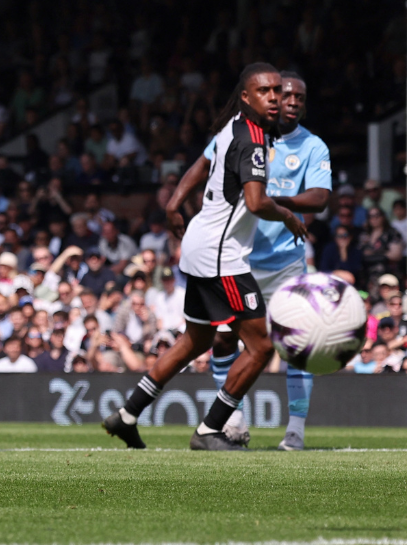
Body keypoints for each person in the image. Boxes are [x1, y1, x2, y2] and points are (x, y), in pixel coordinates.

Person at [104, 63, 307, 451]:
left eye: (277, 91)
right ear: (246, 97)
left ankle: (127, 415)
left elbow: (203, 163)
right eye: (264, 91)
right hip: (221, 255)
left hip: (200, 244)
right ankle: (210, 430)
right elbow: (255, 201)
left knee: (195, 340)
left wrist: (176, 202)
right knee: (262, 347)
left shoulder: (232, 125)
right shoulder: (252, 139)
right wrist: (285, 215)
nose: (275, 98)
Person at [170, 72, 331, 449]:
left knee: (297, 344)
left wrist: (275, 202)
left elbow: (321, 198)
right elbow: (203, 163)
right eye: (284, 94)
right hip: (238, 258)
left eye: (299, 98)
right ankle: (233, 421)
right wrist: (175, 199)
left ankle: (295, 431)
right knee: (224, 340)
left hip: (286, 262)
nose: (290, 101)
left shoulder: (313, 147)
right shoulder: (242, 132)